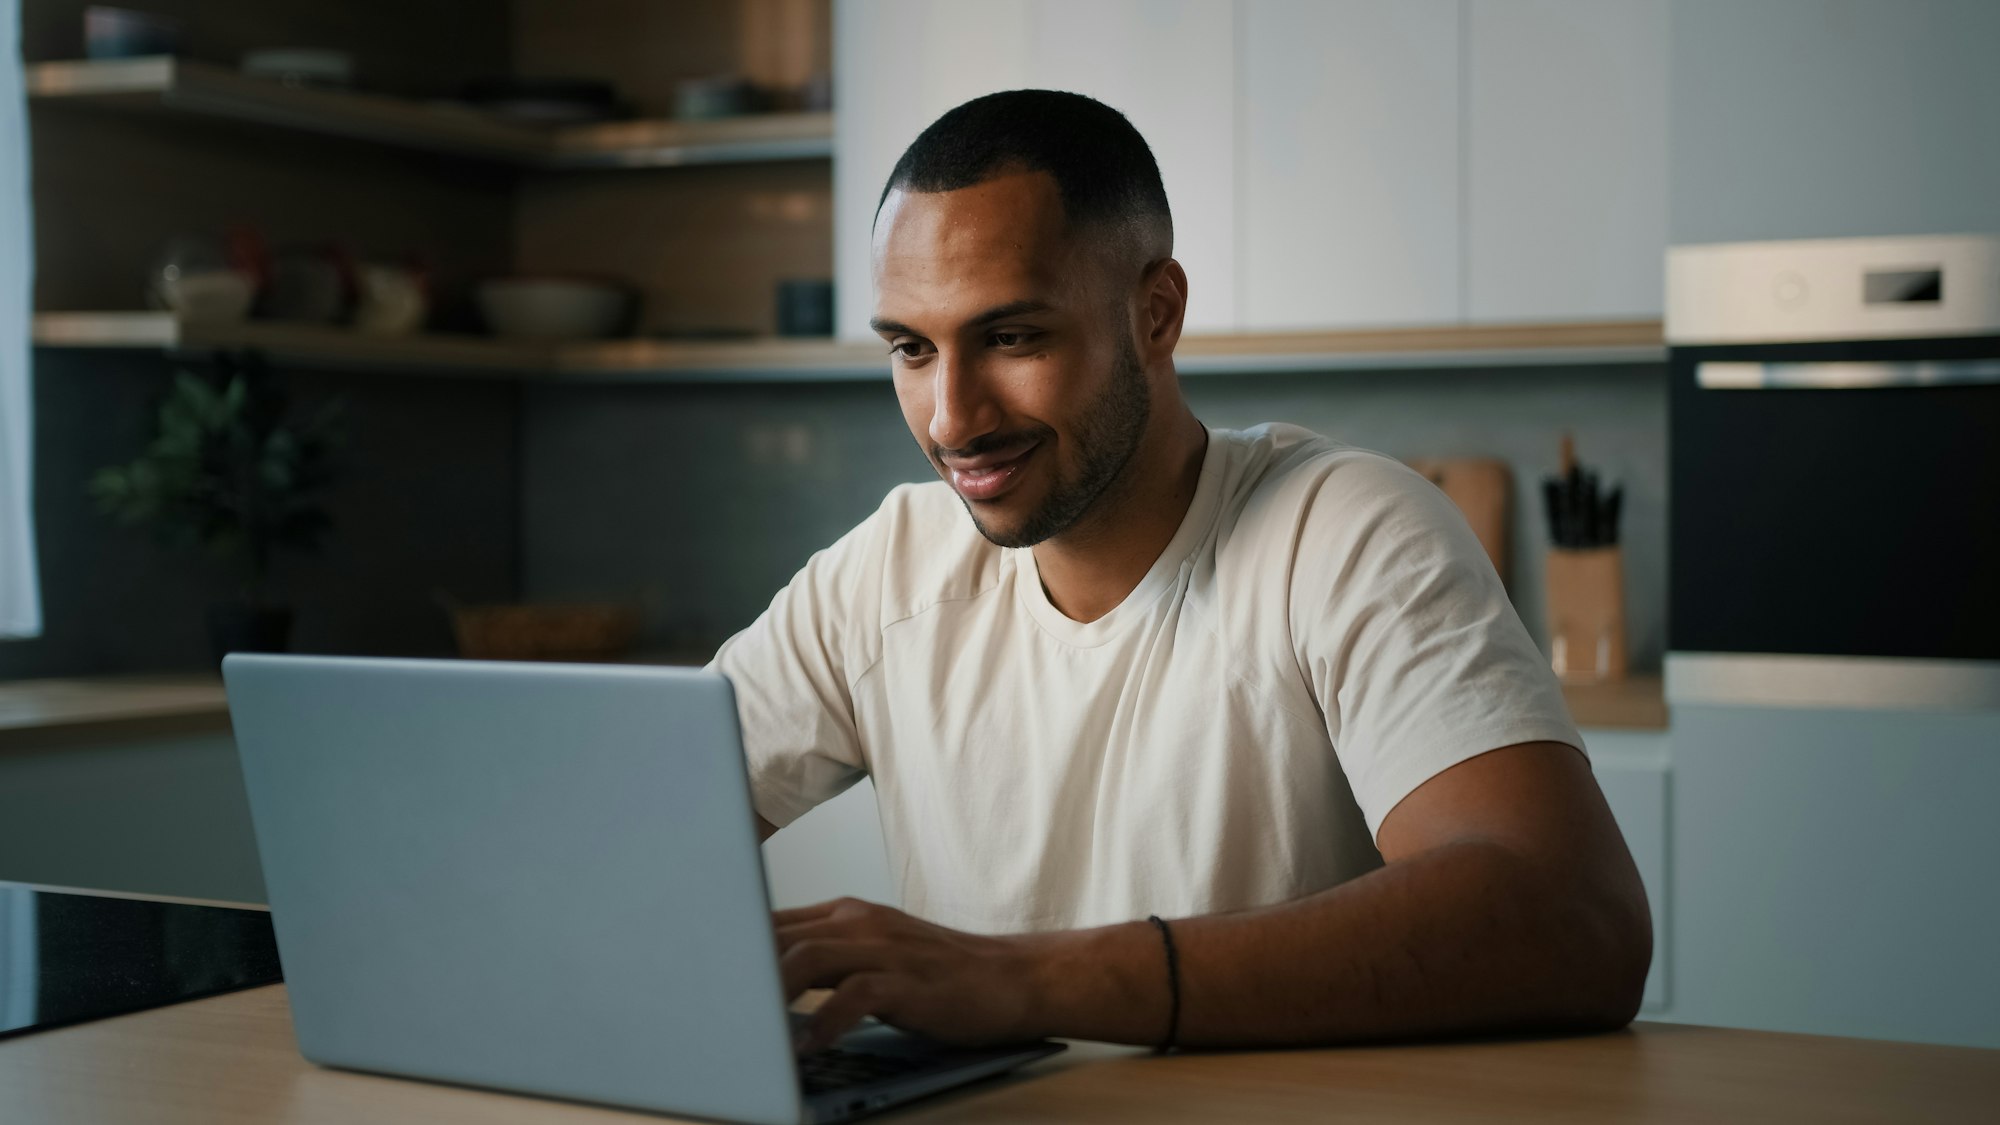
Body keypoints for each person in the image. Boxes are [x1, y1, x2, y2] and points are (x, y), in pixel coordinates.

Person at [713, 90, 1650, 1056]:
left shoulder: (1344, 531)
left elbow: (1575, 916)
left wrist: (1024, 979)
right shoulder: (885, 573)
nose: (952, 419)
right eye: (912, 348)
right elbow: (623, 829)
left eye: (1011, 337)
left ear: (1155, 313)